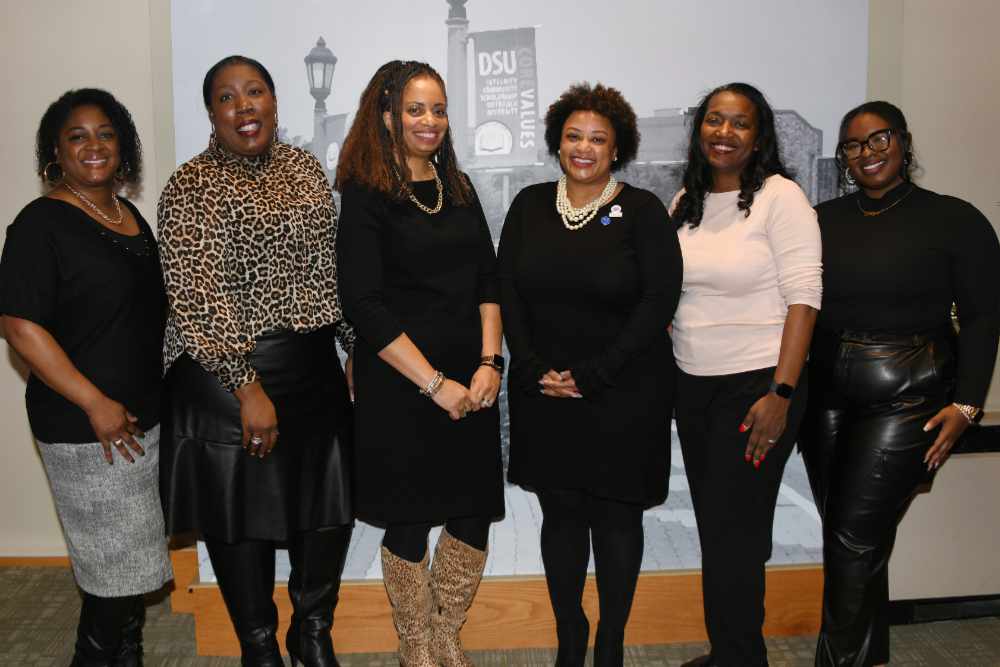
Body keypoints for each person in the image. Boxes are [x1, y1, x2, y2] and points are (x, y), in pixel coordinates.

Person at [157, 55, 355, 667]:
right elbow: (196, 296)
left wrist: (353, 348)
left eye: (255, 92)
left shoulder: (303, 169)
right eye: (227, 97)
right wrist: (247, 388)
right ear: (210, 113)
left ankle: (312, 632)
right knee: (240, 519)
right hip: (225, 379)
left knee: (326, 513)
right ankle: (259, 647)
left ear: (274, 99)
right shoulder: (189, 186)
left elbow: (329, 267)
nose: (244, 107)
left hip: (314, 368)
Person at [800, 101, 1000, 667]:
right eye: (854, 145)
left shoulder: (956, 219)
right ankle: (868, 654)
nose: (868, 152)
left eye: (879, 138)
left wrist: (967, 403)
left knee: (851, 540)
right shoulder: (821, 220)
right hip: (827, 397)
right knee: (854, 537)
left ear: (905, 142)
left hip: (910, 396)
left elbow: (985, 317)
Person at [498, 82, 682, 667]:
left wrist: (594, 374)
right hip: (545, 394)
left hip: (624, 394)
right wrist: (530, 368)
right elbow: (507, 293)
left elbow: (659, 301)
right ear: (557, 142)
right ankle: (571, 637)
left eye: (598, 139)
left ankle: (611, 643)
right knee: (562, 517)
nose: (584, 147)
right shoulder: (528, 206)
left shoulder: (643, 210)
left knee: (618, 519)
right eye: (574, 136)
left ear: (617, 148)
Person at [335, 60, 504, 667]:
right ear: (387, 116)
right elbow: (364, 305)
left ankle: (446, 634)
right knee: (407, 520)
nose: (429, 121)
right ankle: (416, 646)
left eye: (438, 109)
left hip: (473, 381)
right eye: (415, 109)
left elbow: (490, 279)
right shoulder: (364, 194)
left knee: (472, 513)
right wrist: (435, 385)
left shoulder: (458, 186)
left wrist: (491, 364)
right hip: (402, 385)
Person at [0, 88, 171, 665]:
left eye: (105, 133)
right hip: (86, 427)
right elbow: (20, 326)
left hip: (141, 421)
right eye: (77, 135)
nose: (93, 145)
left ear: (122, 146)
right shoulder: (40, 223)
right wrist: (94, 401)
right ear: (56, 151)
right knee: (111, 580)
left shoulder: (127, 216)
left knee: (127, 577)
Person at [670, 82, 822, 667]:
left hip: (758, 385)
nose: (723, 133)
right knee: (721, 531)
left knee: (735, 534)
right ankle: (732, 650)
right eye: (713, 120)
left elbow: (805, 298)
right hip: (694, 385)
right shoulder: (686, 200)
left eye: (739, 124)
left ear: (758, 137)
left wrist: (781, 392)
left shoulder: (781, 198)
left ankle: (739, 657)